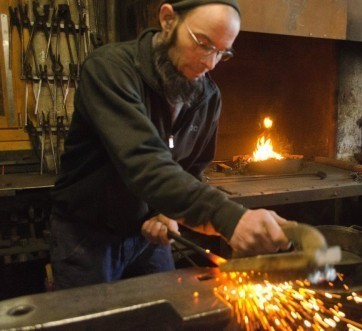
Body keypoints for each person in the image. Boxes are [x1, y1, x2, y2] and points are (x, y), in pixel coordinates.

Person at [49, 0, 292, 289]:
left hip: (149, 236)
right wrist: (230, 218)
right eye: (203, 43)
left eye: (221, 52)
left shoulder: (207, 97)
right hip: (88, 235)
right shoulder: (109, 70)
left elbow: (191, 169)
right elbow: (145, 161)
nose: (210, 62)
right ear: (167, 20)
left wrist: (165, 211)